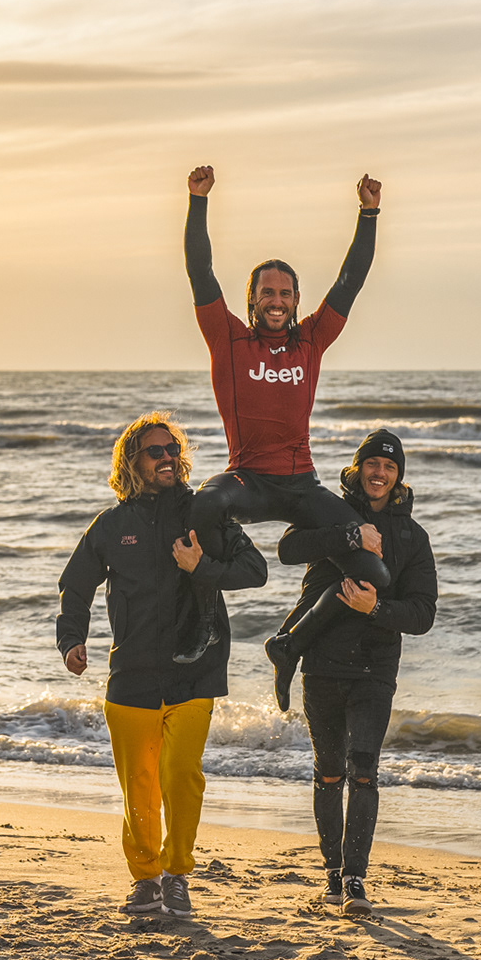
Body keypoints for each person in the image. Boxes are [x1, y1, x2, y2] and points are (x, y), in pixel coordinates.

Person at [176, 164, 391, 708]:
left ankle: (290, 642)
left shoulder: (312, 341)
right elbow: (200, 271)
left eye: (286, 293)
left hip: (301, 484)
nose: (277, 300)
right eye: (267, 292)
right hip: (247, 479)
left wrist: (369, 213)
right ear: (252, 298)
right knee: (204, 502)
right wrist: (197, 201)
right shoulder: (226, 338)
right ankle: (204, 619)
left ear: (297, 300)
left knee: (375, 573)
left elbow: (352, 280)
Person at [58, 412, 268, 919]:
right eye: (156, 451)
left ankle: (176, 874)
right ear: (132, 461)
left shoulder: (203, 514)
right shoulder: (111, 526)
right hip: (130, 673)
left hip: (194, 670)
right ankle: (146, 878)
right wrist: (72, 640)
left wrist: (203, 568)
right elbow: (76, 584)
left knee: (180, 776)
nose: (168, 458)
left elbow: (255, 570)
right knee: (140, 787)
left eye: (172, 449)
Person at [276, 428, 437, 916]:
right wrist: (347, 535)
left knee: (363, 772)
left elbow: (423, 614)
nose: (380, 473)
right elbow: (287, 548)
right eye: (372, 464)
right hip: (321, 664)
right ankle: (331, 874)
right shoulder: (333, 513)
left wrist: (375, 608)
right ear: (358, 467)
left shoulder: (412, 536)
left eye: (389, 467)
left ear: (398, 476)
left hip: (374, 667)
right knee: (328, 774)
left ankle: (355, 878)